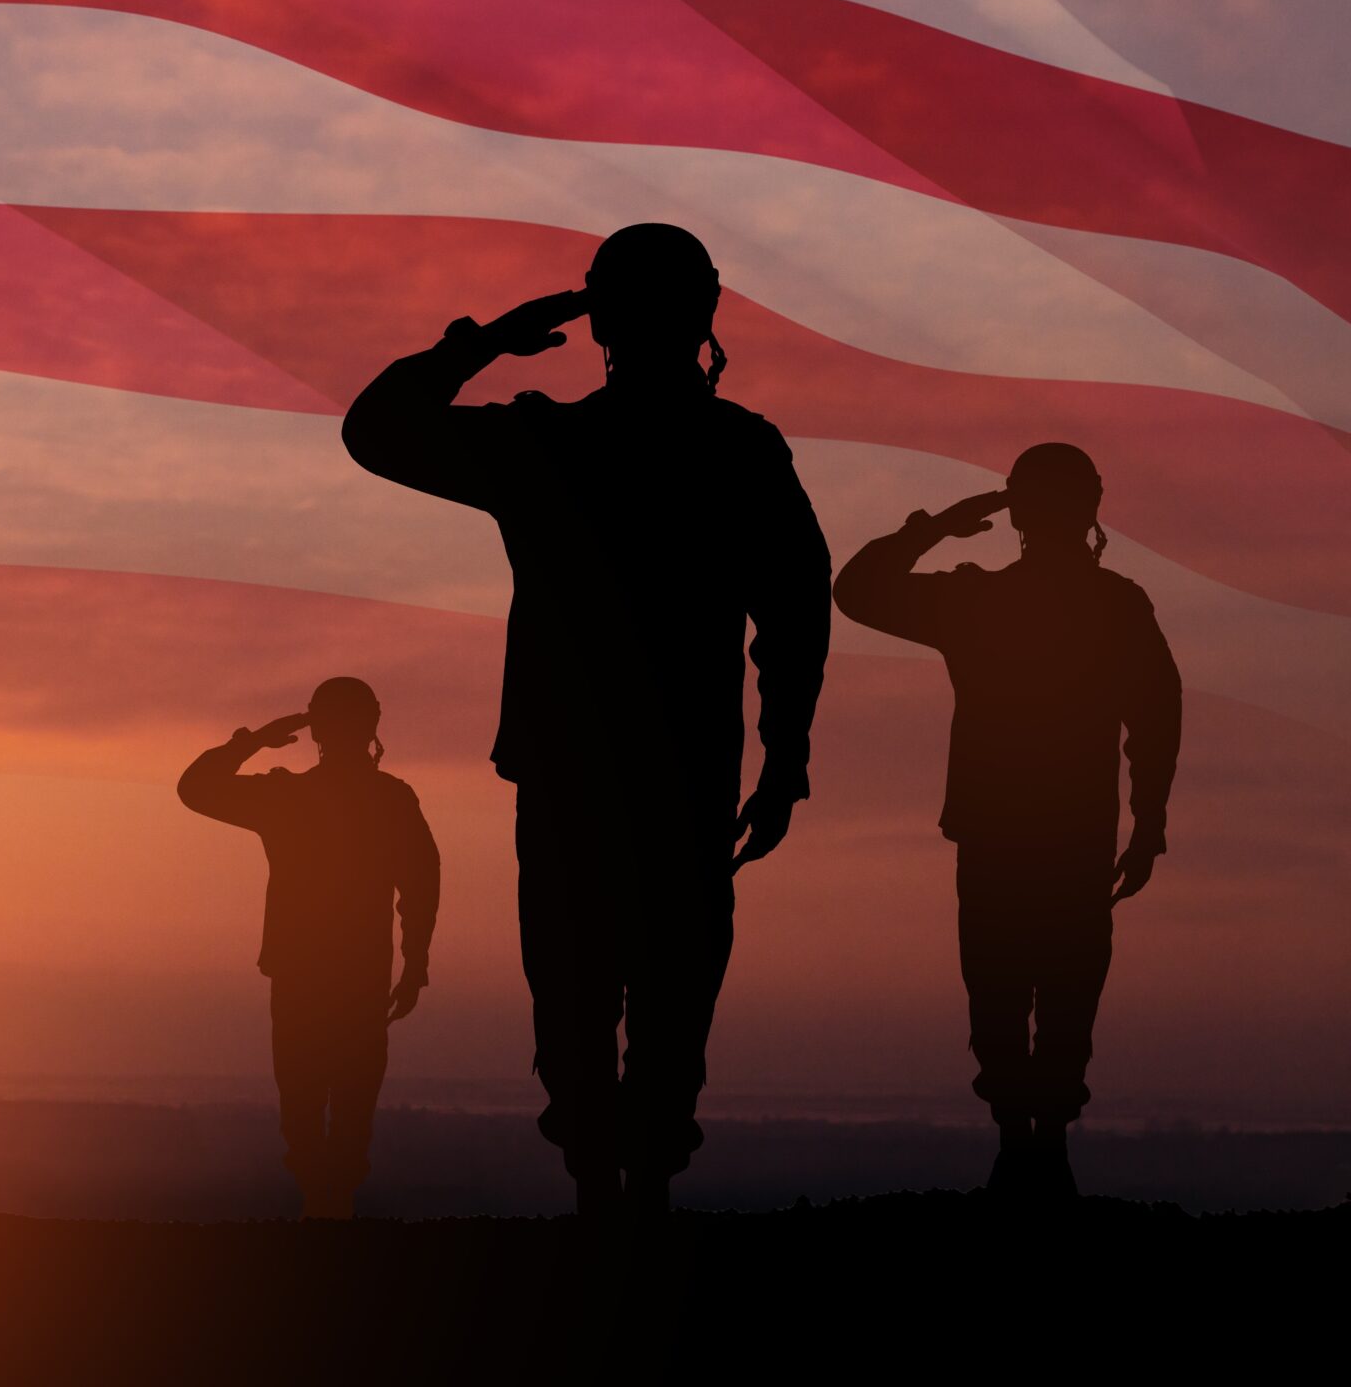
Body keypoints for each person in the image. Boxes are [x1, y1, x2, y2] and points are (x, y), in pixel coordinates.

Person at [340, 223, 831, 1216]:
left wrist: (481, 343)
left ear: (596, 316)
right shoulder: (724, 449)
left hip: (588, 770)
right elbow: (793, 609)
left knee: (587, 990)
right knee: (659, 992)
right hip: (671, 769)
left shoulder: (548, 444)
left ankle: (612, 1190)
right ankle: (630, 1187)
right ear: (705, 312)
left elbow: (378, 427)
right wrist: (784, 759)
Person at [833, 444, 1180, 1199]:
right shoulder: (1108, 604)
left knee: (1011, 991)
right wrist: (1147, 821)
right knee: (1052, 992)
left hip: (1015, 836)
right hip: (1053, 835)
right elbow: (1156, 717)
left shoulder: (983, 601)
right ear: (1090, 507)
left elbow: (860, 588)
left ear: (1018, 512)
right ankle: (1036, 1147)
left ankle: (1031, 1145)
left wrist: (939, 526)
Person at [178, 677, 440, 1220]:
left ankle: (323, 1211)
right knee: (345, 1105)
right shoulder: (387, 798)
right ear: (372, 726)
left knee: (307, 1105)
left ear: (316, 729)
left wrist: (255, 740)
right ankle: (330, 1210)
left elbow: (196, 787)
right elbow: (422, 881)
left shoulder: (289, 797)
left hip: (309, 975)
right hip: (354, 975)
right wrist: (414, 962)